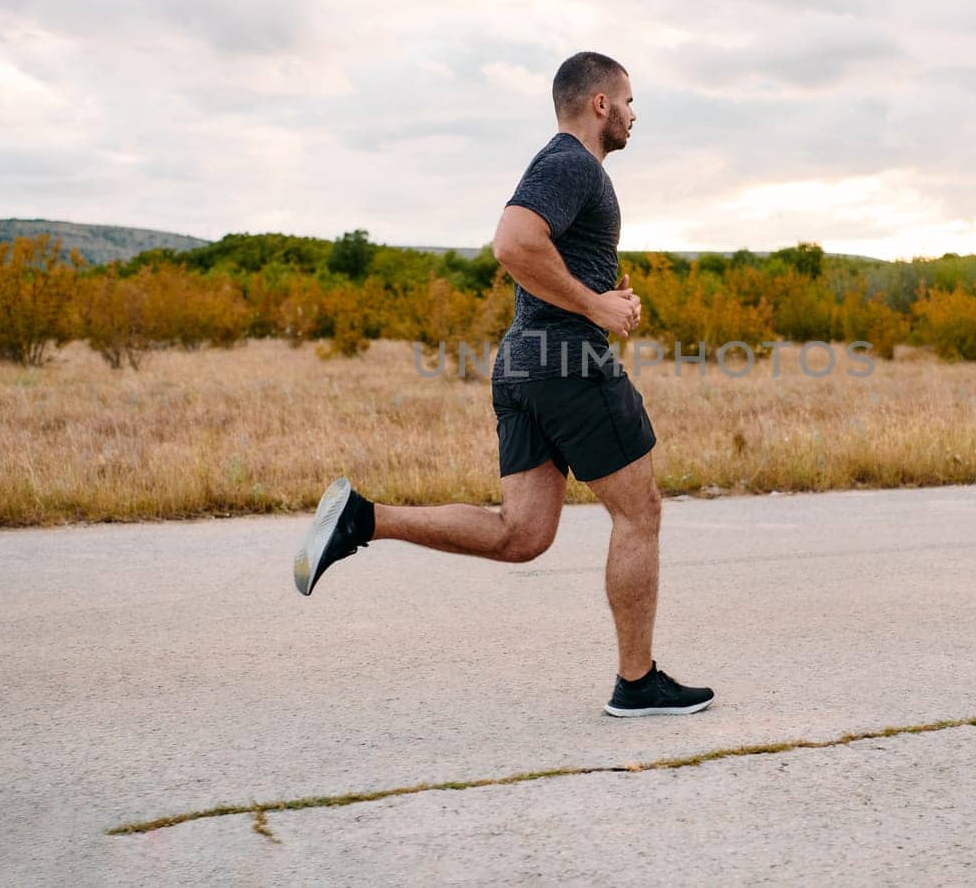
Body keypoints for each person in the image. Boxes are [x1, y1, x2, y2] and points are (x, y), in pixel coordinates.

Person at [294, 52, 714, 717]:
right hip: (566, 361)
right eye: (629, 101)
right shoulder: (572, 161)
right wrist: (593, 307)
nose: (635, 115)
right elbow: (513, 243)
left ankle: (362, 518)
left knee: (523, 532)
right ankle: (638, 682)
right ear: (600, 104)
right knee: (641, 511)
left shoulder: (571, 168)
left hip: (523, 359)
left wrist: (605, 297)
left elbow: (546, 256)